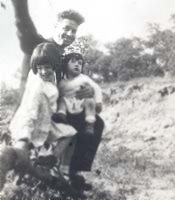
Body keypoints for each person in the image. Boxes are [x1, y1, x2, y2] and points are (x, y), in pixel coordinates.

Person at [8, 0, 104, 186]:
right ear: (55, 26)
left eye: (73, 31)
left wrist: (86, 92)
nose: (69, 34)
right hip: (32, 108)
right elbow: (24, 24)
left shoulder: (66, 58)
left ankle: (70, 171)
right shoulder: (39, 46)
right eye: (66, 28)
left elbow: (68, 87)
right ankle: (36, 170)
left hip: (55, 110)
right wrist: (20, 4)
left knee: (94, 123)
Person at [0, 42, 72, 190]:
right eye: (39, 68)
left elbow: (47, 110)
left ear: (55, 66)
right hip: (27, 129)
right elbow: (30, 112)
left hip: (42, 126)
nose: (44, 71)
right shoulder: (37, 87)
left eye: (48, 67)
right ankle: (20, 176)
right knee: (11, 158)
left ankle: (49, 160)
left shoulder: (51, 81)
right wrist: (23, 140)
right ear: (35, 68)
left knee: (68, 133)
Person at [53, 50, 103, 136]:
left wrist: (98, 102)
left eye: (80, 63)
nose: (77, 64)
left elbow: (96, 88)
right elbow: (58, 94)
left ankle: (90, 123)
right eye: (73, 62)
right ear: (65, 65)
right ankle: (61, 114)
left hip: (81, 103)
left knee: (90, 101)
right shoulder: (62, 82)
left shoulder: (84, 78)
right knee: (62, 100)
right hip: (67, 104)